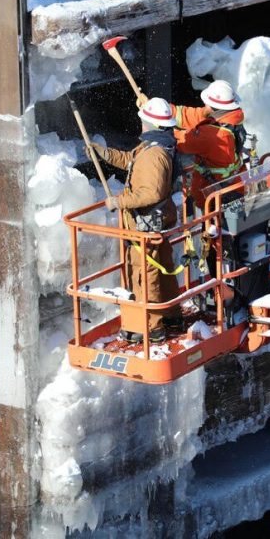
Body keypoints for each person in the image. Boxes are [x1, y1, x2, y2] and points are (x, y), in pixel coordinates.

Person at [87, 97, 181, 343]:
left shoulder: (154, 154)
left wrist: (119, 202)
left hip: (146, 222)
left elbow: (151, 193)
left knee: (145, 272)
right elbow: (130, 161)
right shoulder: (153, 148)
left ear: (150, 123)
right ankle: (170, 313)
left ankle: (151, 326)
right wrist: (104, 153)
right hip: (154, 220)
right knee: (162, 269)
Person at [140, 80, 246, 208]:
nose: (205, 105)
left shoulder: (213, 135)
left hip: (211, 194)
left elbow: (178, 140)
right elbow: (192, 115)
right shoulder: (232, 118)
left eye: (207, 104)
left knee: (211, 223)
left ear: (215, 107)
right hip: (232, 185)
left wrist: (154, 119)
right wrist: (158, 108)